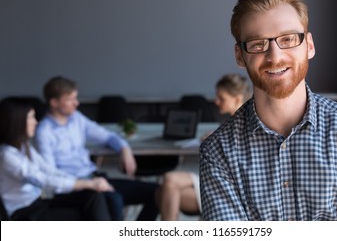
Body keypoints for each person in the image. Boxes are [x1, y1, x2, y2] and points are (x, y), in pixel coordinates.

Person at [199, 0, 337, 221]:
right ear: (240, 55)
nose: (275, 56)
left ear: (309, 45)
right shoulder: (218, 152)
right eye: (258, 44)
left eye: (288, 39)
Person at [34, 76, 159, 220]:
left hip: (94, 177)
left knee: (156, 192)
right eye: (70, 99)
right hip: (72, 187)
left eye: (76, 98)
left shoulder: (76, 118)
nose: (77, 103)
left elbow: (107, 136)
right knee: (113, 199)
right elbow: (51, 176)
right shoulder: (44, 132)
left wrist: (124, 149)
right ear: (54, 102)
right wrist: (88, 184)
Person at [0, 97, 113, 221]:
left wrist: (86, 182)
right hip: (24, 213)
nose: (35, 122)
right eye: (31, 117)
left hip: (38, 203)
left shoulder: (23, 146)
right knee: (83, 214)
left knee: (92, 196)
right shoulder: (6, 155)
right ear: (17, 121)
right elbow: (42, 180)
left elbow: (49, 170)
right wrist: (87, 183)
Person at [157, 73, 251, 220]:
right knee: (164, 188)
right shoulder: (230, 124)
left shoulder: (248, 124)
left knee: (168, 184)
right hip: (213, 179)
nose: (216, 101)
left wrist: (216, 141)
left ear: (237, 99)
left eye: (222, 98)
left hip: (227, 187)